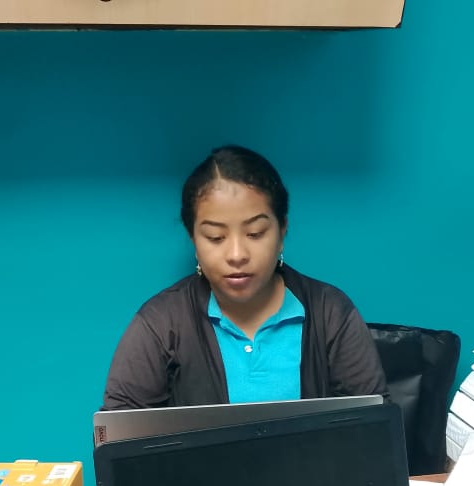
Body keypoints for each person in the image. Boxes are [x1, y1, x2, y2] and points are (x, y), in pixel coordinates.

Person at [101, 144, 388, 409]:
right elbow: (118, 433)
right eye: (215, 237)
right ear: (193, 239)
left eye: (255, 233)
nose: (237, 254)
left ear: (282, 230)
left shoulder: (330, 313)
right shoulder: (161, 324)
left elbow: (378, 428)